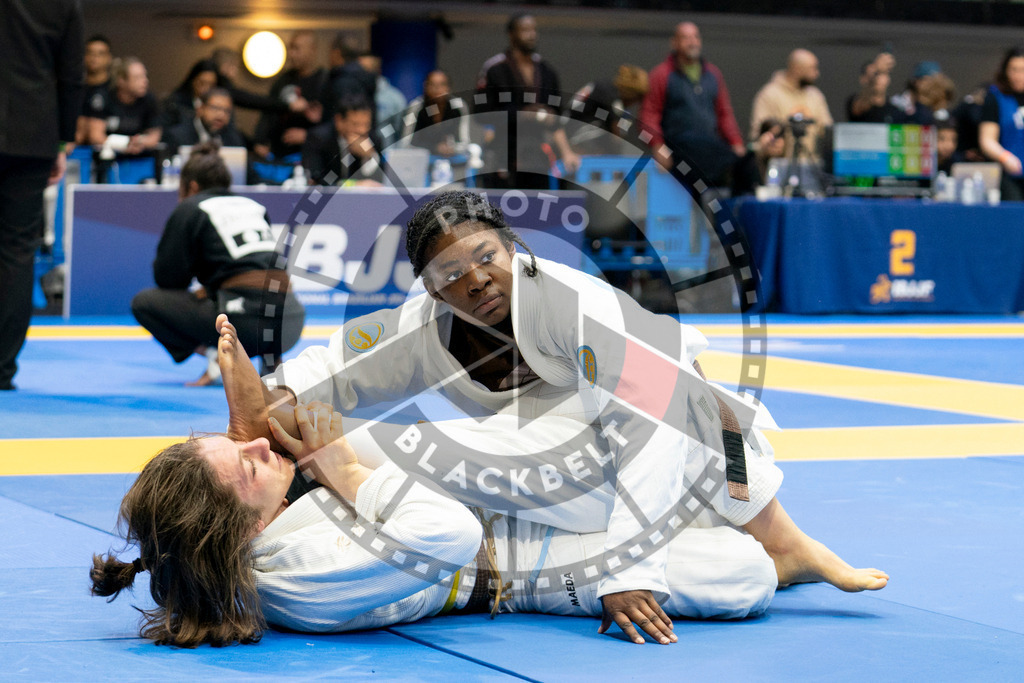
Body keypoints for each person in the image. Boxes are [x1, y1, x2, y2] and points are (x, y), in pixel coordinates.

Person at [228, 189, 888, 642]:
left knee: (688, 404)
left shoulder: (572, 305)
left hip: (654, 435)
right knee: (372, 438)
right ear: (430, 288)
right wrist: (274, 396)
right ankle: (781, 552)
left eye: (486, 256)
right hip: (553, 462)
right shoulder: (423, 324)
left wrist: (628, 572)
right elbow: (335, 365)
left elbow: (650, 423)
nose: (475, 279)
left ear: (513, 248)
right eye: (451, 273)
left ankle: (787, 542)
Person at [90, 315, 887, 647]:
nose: (266, 460)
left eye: (249, 449)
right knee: (742, 575)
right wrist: (346, 471)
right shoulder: (297, 581)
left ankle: (786, 537)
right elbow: (450, 535)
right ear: (245, 528)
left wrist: (332, 462)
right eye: (251, 462)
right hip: (519, 563)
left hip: (482, 481)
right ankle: (779, 550)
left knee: (665, 371)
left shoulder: (278, 528)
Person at [130, 142, 304, 385]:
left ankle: (216, 355)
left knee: (144, 303)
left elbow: (168, 279)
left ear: (191, 186)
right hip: (291, 323)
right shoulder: (253, 206)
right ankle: (271, 360)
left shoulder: (191, 207)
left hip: (243, 325)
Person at [0, 0, 83, 391]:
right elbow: (71, 76)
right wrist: (62, 140)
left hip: (32, 135)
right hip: (32, 134)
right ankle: (2, 368)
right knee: (17, 251)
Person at [639, 22, 754, 193]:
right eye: (686, 38)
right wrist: (657, 146)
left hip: (709, 145)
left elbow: (724, 114)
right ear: (674, 43)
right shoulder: (661, 74)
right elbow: (648, 115)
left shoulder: (713, 74)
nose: (692, 42)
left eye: (695, 37)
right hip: (679, 146)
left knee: (746, 163)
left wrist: (736, 142)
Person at [475, 13, 581, 188]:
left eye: (534, 30)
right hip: (503, 151)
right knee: (501, 202)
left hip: (536, 155)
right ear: (511, 34)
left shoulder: (546, 71)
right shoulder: (495, 69)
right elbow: (481, 114)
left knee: (537, 202)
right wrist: (521, 115)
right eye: (525, 30)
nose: (531, 35)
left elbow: (556, 119)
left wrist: (566, 151)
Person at [749, 49, 834, 163]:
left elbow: (827, 130)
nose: (816, 73)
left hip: (810, 165)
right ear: (797, 69)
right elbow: (758, 134)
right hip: (780, 164)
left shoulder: (815, 96)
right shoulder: (769, 95)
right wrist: (769, 144)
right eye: (812, 68)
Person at [253, 30, 326, 161]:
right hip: (279, 154)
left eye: (297, 49)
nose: (291, 54)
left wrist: (308, 135)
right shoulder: (283, 80)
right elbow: (268, 112)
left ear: (312, 50)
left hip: (310, 155)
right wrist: (260, 140)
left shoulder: (324, 81)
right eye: (290, 48)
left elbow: (332, 122)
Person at [82, 56, 161, 154]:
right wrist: (123, 145)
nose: (145, 81)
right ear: (121, 81)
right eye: (138, 77)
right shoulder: (103, 96)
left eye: (144, 76)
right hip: (106, 155)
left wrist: (139, 142)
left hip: (137, 155)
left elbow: (154, 136)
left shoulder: (149, 99)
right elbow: (95, 136)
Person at [302, 94, 383, 185]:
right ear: (339, 120)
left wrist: (369, 156)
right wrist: (352, 185)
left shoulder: (372, 139)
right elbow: (317, 178)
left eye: (366, 124)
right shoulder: (318, 138)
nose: (362, 130)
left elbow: (380, 181)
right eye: (355, 124)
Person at [569, 64, 649, 155]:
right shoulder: (610, 95)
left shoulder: (609, 89)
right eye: (638, 98)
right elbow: (617, 136)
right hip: (573, 131)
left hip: (578, 127)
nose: (636, 103)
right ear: (632, 94)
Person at [980, 47, 1024, 201]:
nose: (1018, 76)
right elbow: (987, 139)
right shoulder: (996, 97)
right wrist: (1005, 158)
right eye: (1014, 70)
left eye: (1022, 70)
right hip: (1009, 174)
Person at [162, 88, 247, 156]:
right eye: (215, 108)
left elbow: (247, 171)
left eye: (227, 111)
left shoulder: (234, 139)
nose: (221, 115)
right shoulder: (177, 137)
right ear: (200, 109)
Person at [404, 70, 470, 157]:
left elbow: (465, 142)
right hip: (421, 157)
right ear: (425, 87)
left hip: (451, 157)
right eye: (432, 85)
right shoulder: (416, 107)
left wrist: (452, 149)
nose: (437, 89)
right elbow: (406, 142)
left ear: (449, 88)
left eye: (442, 84)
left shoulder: (458, 106)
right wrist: (434, 148)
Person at [319, 34, 375, 122]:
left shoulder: (342, 82)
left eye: (330, 52)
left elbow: (344, 118)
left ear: (337, 53)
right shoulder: (365, 77)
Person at [159, 59, 220, 131]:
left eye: (211, 85)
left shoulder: (220, 105)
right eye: (202, 83)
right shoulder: (174, 102)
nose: (206, 88)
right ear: (192, 80)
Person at [76, 34, 113, 144]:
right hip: (76, 147)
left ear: (109, 58)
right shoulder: (75, 89)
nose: (94, 58)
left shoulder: (115, 90)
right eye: (90, 53)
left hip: (109, 148)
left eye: (100, 54)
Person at [846, 53, 900, 123]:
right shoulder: (855, 102)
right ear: (862, 79)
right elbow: (860, 107)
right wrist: (877, 69)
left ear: (888, 79)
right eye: (872, 74)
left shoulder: (894, 111)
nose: (876, 78)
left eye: (881, 73)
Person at [358, 52, 407, 129]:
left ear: (378, 70)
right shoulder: (352, 94)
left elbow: (399, 128)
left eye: (367, 70)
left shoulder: (394, 98)